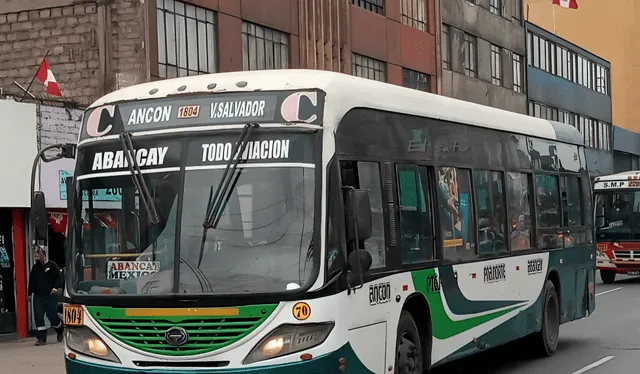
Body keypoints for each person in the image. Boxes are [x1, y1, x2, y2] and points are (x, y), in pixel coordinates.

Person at [28, 246, 63, 346]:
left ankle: (60, 328)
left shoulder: (52, 265)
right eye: (35, 255)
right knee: (38, 316)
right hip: (38, 296)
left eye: (37, 254)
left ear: (43, 254)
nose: (36, 256)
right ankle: (41, 338)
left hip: (50, 295)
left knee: (51, 314)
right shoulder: (35, 268)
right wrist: (29, 294)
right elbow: (32, 281)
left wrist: (55, 287)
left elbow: (59, 278)